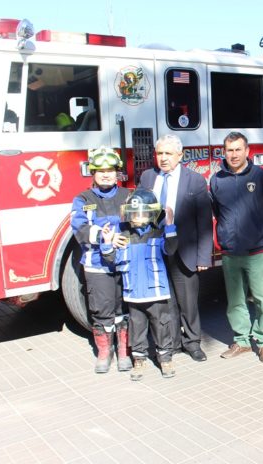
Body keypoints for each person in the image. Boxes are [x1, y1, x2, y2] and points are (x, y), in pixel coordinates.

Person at [209, 132, 263, 363]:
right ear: (224, 152)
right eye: (229, 150)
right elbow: (217, 212)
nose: (233, 155)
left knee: (262, 299)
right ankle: (242, 341)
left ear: (247, 151)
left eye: (237, 149)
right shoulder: (217, 180)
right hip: (230, 252)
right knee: (235, 301)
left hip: (256, 250)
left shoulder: (261, 177)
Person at [139, 135, 213, 362]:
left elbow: (204, 221)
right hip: (156, 251)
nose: (162, 158)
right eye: (159, 153)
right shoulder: (148, 177)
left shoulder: (195, 180)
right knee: (165, 301)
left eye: (168, 154)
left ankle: (193, 343)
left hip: (185, 251)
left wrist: (203, 257)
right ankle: (171, 343)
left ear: (180, 156)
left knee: (188, 302)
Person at [101, 188, 180, 381]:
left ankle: (165, 358)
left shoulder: (158, 233)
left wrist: (170, 226)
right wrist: (106, 243)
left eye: (142, 213)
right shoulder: (124, 236)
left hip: (156, 294)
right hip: (133, 294)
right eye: (133, 213)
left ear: (151, 213)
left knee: (161, 325)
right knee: (137, 327)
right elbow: (112, 258)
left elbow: (171, 249)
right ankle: (139, 359)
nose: (136, 217)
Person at [70, 147, 131, 373]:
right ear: (93, 173)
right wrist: (103, 236)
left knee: (123, 309)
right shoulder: (83, 199)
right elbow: (79, 227)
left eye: (110, 170)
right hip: (97, 264)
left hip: (124, 263)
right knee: (101, 310)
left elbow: (138, 225)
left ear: (118, 173)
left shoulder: (128, 196)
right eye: (100, 170)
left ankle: (124, 351)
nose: (106, 174)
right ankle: (105, 352)